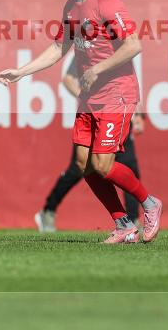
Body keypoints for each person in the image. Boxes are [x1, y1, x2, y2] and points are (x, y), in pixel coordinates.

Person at [0, 0, 163, 244]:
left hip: (116, 93)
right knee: (85, 166)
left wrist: (98, 69)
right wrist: (21, 72)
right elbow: (58, 48)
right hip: (90, 98)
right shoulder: (72, 7)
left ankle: (149, 203)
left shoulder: (108, 2)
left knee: (103, 165)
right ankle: (123, 224)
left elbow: (134, 45)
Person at [34, 58, 145, 233]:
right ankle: (48, 210)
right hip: (92, 113)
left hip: (118, 110)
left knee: (128, 165)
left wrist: (139, 113)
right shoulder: (89, 46)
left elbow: (129, 83)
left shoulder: (120, 46)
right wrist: (86, 96)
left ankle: (132, 219)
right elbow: (68, 79)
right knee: (80, 167)